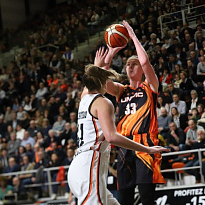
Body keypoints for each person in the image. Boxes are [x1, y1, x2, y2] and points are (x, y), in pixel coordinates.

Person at [67, 64, 168, 205]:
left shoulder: (84, 99)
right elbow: (111, 136)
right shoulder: (104, 103)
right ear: (102, 82)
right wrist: (146, 149)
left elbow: (92, 75)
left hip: (77, 167)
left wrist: (101, 62)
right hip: (90, 164)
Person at [92, 20, 168, 205]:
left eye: (134, 64)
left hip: (146, 144)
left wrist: (132, 36)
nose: (130, 67)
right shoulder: (121, 90)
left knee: (147, 197)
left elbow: (144, 60)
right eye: (128, 65)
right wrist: (110, 52)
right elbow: (100, 80)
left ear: (142, 70)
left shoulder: (150, 86)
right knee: (125, 198)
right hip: (125, 146)